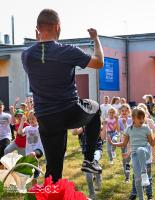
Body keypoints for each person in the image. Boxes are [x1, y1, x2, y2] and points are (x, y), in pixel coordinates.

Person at [21, 9, 104, 182]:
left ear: (37, 29)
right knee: (95, 109)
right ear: (57, 26)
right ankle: (89, 159)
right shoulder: (67, 51)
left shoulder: (26, 55)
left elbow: (42, 55)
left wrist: (39, 43)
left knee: (53, 170)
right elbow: (99, 62)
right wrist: (96, 39)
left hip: (45, 117)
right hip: (69, 111)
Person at [110, 108, 155, 200]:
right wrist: (114, 144)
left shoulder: (146, 128)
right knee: (137, 180)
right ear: (133, 118)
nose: (142, 120)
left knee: (140, 150)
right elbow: (124, 144)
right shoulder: (128, 129)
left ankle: (144, 174)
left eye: (143, 118)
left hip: (145, 152)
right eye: (139, 118)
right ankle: (141, 198)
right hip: (135, 156)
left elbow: (152, 143)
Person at [72, 126, 104, 199]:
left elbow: (101, 129)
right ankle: (92, 194)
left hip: (97, 150)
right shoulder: (82, 128)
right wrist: (76, 123)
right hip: (87, 154)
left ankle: (98, 181)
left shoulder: (96, 124)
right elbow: (74, 132)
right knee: (88, 174)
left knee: (95, 161)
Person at [18, 110, 44, 185]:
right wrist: (22, 121)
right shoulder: (27, 128)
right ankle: (36, 175)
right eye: (30, 119)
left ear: (37, 118)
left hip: (39, 150)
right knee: (31, 164)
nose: (31, 120)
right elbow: (19, 133)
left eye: (33, 118)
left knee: (33, 155)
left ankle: (36, 173)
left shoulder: (40, 127)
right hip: (29, 151)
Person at [118, 104, 133, 182]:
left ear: (128, 111)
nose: (124, 112)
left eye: (126, 110)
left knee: (128, 159)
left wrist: (125, 124)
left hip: (130, 142)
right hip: (123, 141)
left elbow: (130, 131)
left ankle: (128, 175)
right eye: (122, 111)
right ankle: (127, 176)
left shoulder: (131, 120)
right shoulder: (119, 120)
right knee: (125, 159)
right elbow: (118, 130)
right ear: (120, 111)